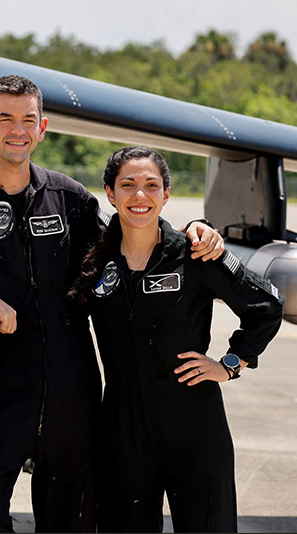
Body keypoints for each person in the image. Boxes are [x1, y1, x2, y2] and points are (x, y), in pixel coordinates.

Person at [0, 75, 224, 533]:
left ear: (42, 129)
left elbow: (128, 238)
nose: (17, 130)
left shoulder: (69, 197)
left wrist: (195, 228)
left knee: (73, 521)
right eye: (5, 118)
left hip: (73, 397)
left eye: (28, 120)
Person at [68, 146, 283, 533]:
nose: (140, 195)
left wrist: (230, 364)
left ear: (166, 195)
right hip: (122, 427)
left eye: (151, 185)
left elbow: (266, 306)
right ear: (110, 193)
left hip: (194, 425)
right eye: (128, 185)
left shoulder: (196, 253)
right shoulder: (94, 264)